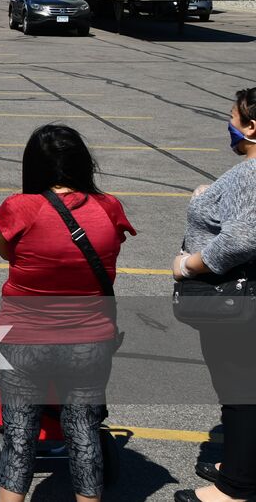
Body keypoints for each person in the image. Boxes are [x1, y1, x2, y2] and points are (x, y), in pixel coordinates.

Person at [0, 125, 133, 502]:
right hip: (90, 338)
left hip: (23, 337)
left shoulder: (19, 208)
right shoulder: (110, 207)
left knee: (19, 437)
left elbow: (7, 252)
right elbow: (111, 250)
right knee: (84, 431)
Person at [171, 89, 256, 502]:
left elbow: (244, 237)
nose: (229, 124)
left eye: (232, 117)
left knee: (239, 390)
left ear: (252, 127)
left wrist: (189, 265)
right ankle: (242, 463)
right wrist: (211, 196)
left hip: (238, 298)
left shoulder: (252, 173)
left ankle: (235, 489)